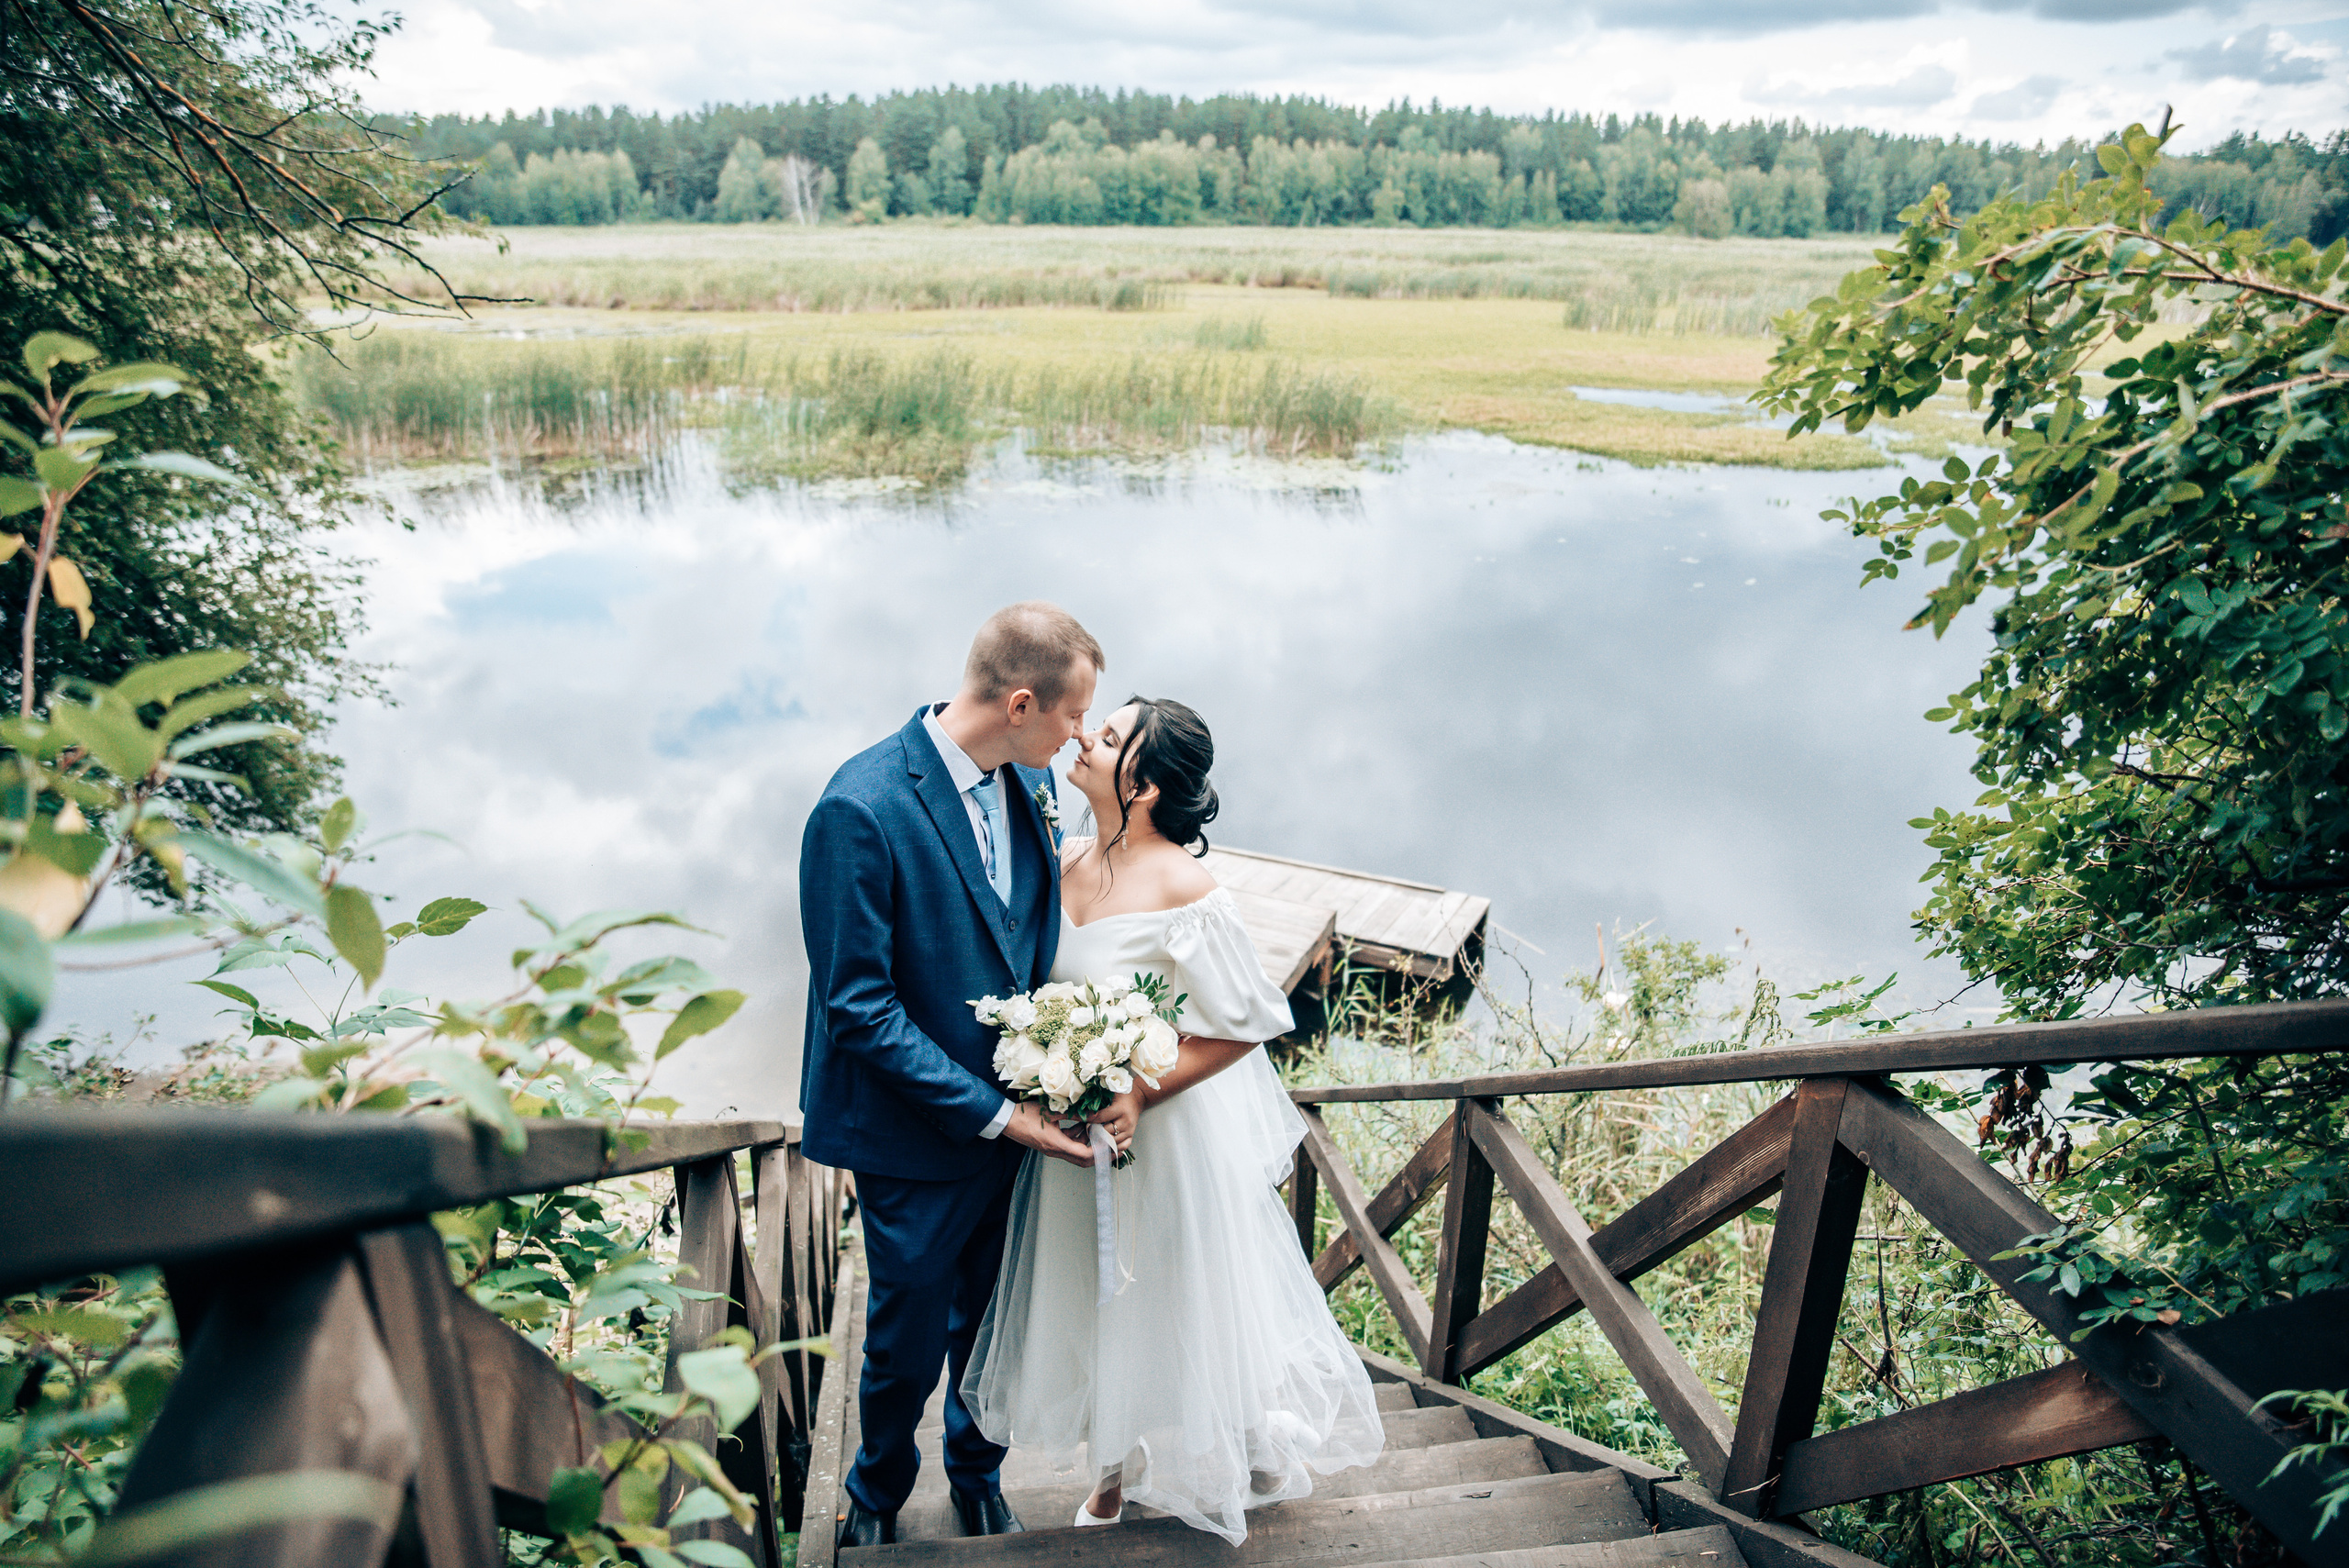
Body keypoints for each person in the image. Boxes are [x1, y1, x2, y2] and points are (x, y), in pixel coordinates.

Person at [962, 696, 1386, 1544]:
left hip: (1163, 1142)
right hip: (1074, 1148)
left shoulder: (1188, 888)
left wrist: (1143, 1088)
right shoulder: (1064, 854)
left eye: (1109, 736)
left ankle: (1244, 1432)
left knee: (1177, 1294)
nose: (1086, 736)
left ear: (1146, 786)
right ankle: (1115, 1471)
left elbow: (1247, 1020)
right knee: (1091, 1295)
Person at [799, 602, 1106, 1550]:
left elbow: (1023, 945)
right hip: (913, 1138)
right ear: (1020, 702)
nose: (1081, 738)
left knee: (996, 1320)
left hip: (1022, 1128)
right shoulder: (860, 807)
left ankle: (977, 1473)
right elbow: (857, 1008)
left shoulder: (1029, 783)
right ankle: (878, 1492)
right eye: (1070, 718)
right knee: (902, 1340)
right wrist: (997, 1114)